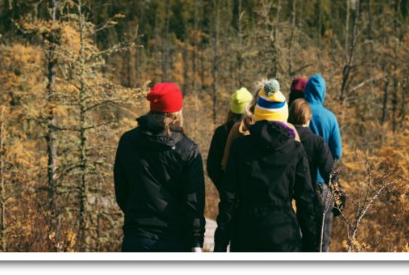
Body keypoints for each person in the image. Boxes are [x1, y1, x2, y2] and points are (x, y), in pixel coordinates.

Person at [214, 79, 317, 252]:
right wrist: (311, 245)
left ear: (258, 113)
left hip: (246, 233)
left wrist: (221, 243)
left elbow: (229, 198)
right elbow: (305, 200)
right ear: (283, 116)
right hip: (284, 233)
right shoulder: (295, 149)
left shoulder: (240, 147)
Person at [113, 82, 205, 252]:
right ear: (177, 111)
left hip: (137, 237)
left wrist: (136, 215)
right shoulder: (188, 149)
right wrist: (196, 241)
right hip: (175, 239)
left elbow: (122, 190)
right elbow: (193, 202)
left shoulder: (128, 141)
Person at [288, 98, 334, 251]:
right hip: (310, 200)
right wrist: (339, 200)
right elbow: (329, 172)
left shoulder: (283, 140)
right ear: (309, 118)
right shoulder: (317, 142)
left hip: (285, 199)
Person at [303, 73, 342, 252]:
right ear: (323, 92)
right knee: (321, 240)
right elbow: (337, 153)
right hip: (322, 185)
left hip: (297, 184)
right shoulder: (330, 118)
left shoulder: (296, 113)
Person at [207, 87, 253, 193]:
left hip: (228, 198)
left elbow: (212, 167)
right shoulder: (255, 132)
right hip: (252, 197)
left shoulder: (221, 132)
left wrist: (224, 188)